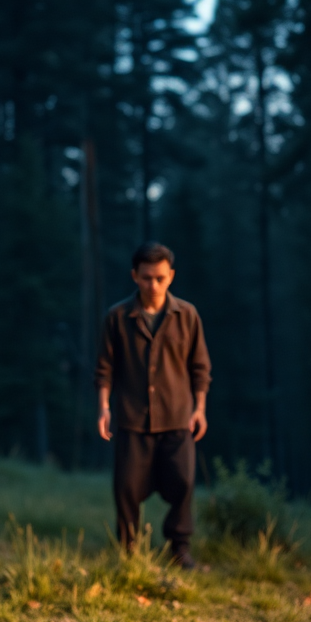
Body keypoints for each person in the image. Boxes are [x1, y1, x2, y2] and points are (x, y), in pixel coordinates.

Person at [96, 241, 211, 568]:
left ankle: (180, 549)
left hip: (178, 417)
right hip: (133, 419)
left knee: (184, 483)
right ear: (135, 276)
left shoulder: (187, 315)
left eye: (160, 278)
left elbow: (200, 367)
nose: (153, 285)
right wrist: (104, 407)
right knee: (127, 488)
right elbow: (104, 368)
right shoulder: (117, 317)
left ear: (171, 276)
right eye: (147, 278)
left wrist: (200, 407)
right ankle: (129, 552)